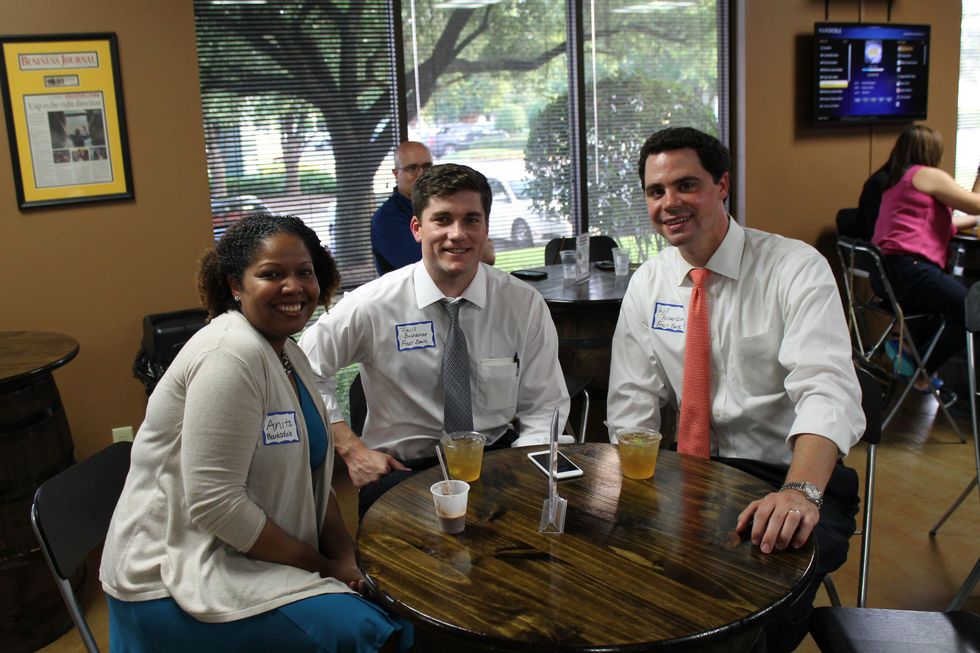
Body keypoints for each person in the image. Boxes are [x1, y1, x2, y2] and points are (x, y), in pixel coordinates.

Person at [100, 214, 411, 653]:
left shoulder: (288, 354)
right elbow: (215, 504)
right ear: (234, 285)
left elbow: (312, 477)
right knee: (365, 632)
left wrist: (343, 554)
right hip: (178, 575)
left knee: (402, 603)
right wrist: (321, 568)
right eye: (271, 274)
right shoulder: (231, 355)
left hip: (252, 557)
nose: (293, 287)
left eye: (304, 272)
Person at [606, 127, 864, 653]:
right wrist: (632, 498)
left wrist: (799, 491)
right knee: (617, 581)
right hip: (689, 475)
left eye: (686, 185)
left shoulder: (794, 269)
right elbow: (631, 407)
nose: (669, 203)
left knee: (737, 609)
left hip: (784, 475)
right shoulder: (647, 283)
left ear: (722, 185)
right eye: (656, 191)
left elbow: (827, 391)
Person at [301, 163, 569, 516]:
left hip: (495, 459)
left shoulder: (522, 304)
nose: (457, 234)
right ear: (417, 228)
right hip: (403, 470)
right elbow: (302, 367)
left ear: (486, 227)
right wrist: (351, 448)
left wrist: (527, 469)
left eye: (471, 220)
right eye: (442, 219)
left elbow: (544, 405)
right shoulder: (373, 304)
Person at [870, 125, 980, 396]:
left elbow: (956, 221)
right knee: (972, 311)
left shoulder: (899, 182)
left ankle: (909, 352)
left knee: (953, 307)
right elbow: (975, 204)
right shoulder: (927, 174)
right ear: (932, 151)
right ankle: (920, 370)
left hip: (888, 275)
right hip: (912, 270)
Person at [370, 140, 495, 276]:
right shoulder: (386, 219)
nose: (421, 174)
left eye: (427, 166)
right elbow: (434, 267)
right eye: (412, 168)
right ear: (396, 174)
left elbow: (486, 258)